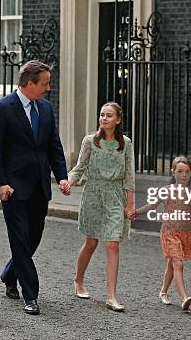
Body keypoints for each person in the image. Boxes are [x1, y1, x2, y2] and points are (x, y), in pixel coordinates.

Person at [0, 60, 69, 316]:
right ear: (30, 83)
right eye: (45, 83)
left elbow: (53, 146)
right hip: (13, 188)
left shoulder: (45, 107)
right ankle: (30, 294)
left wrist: (62, 176)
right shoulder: (2, 108)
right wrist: (0, 183)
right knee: (20, 239)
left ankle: (9, 274)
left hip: (39, 186)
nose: (48, 88)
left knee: (33, 238)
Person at [63, 102, 135, 312]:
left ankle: (111, 296)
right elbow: (79, 168)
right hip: (93, 194)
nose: (104, 118)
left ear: (118, 120)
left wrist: (130, 204)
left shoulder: (126, 144)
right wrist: (68, 182)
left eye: (109, 115)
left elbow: (129, 174)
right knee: (91, 242)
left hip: (115, 196)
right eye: (102, 115)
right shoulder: (90, 141)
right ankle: (78, 279)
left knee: (113, 243)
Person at [131, 156, 191, 311]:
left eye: (187, 172)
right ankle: (184, 298)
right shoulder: (167, 190)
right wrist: (135, 213)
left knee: (172, 263)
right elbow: (152, 205)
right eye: (180, 171)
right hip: (170, 233)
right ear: (173, 172)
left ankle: (163, 292)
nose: (183, 175)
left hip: (187, 232)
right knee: (178, 263)